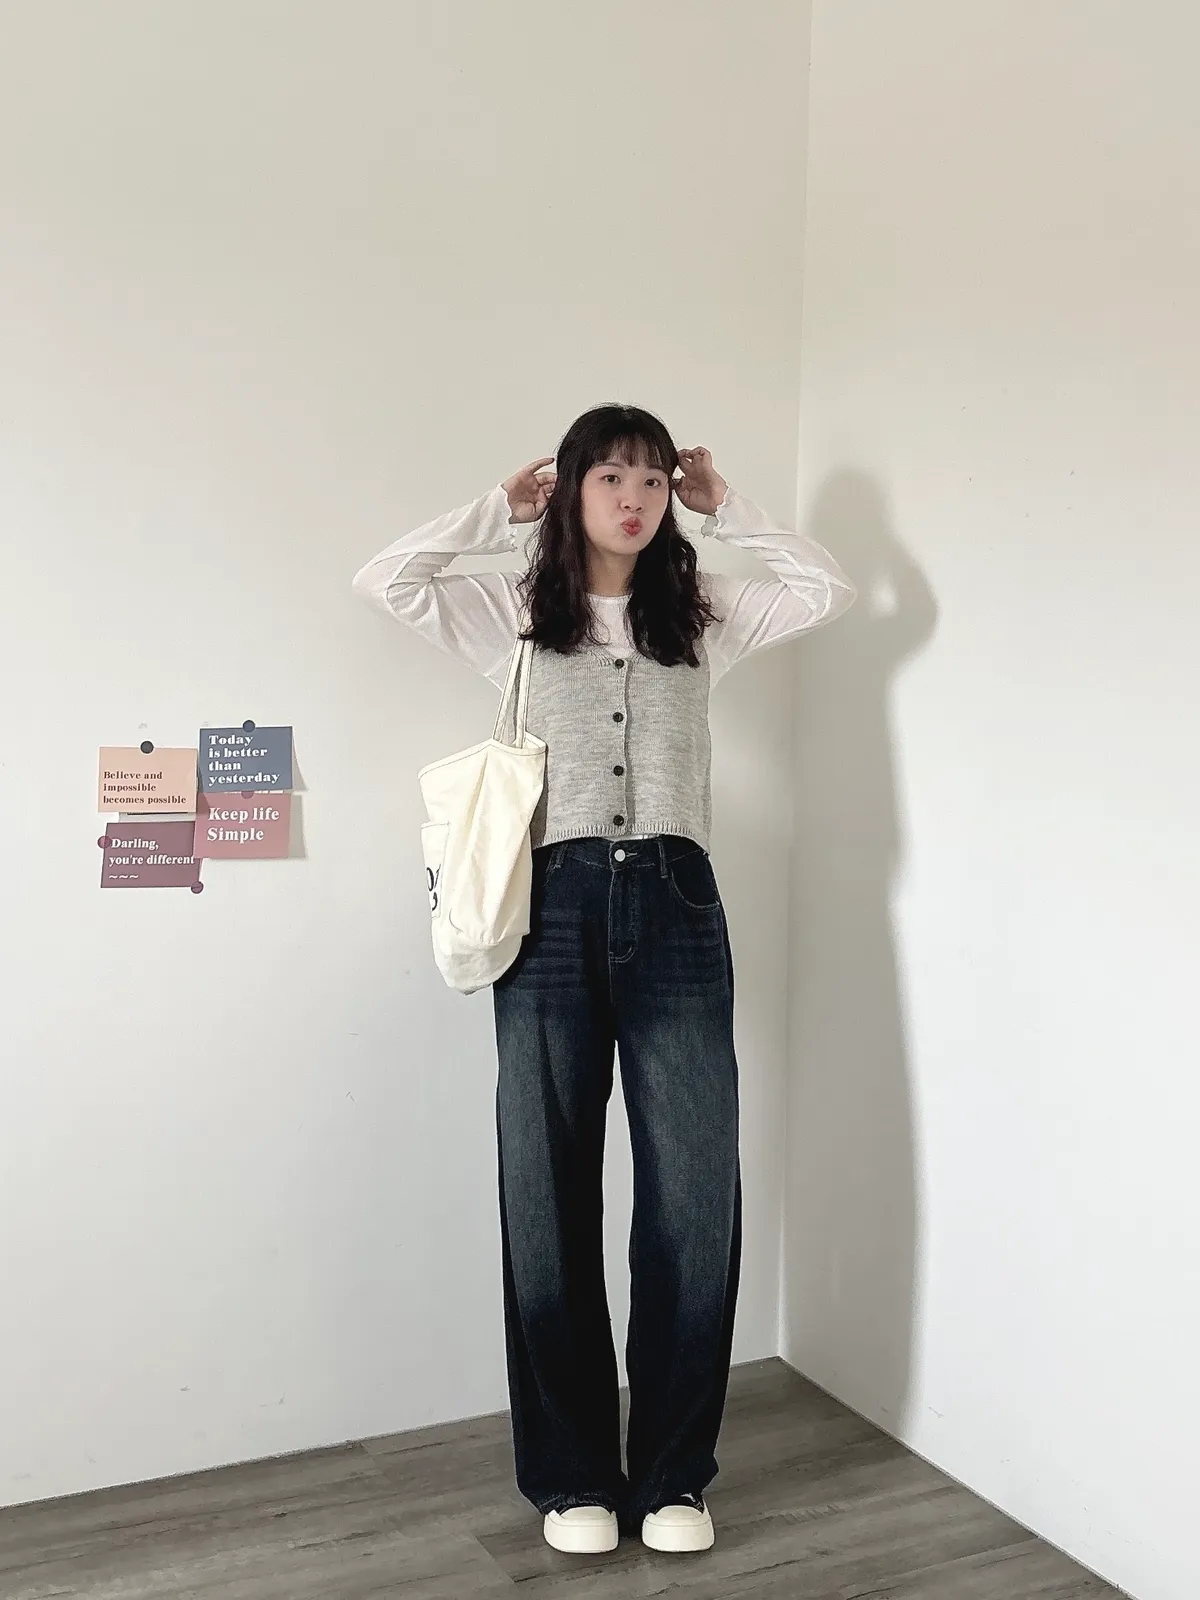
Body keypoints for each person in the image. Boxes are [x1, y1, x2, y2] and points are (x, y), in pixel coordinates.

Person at [351, 403, 857, 1556]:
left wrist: (734, 508)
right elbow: (386, 579)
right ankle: (573, 1474)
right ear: (570, 487)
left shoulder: (701, 611)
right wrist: (497, 508)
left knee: (695, 1198)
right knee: (546, 1188)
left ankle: (674, 1476)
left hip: (678, 906)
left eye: (653, 479)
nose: (634, 498)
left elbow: (826, 589)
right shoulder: (517, 613)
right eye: (610, 476)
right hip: (551, 908)